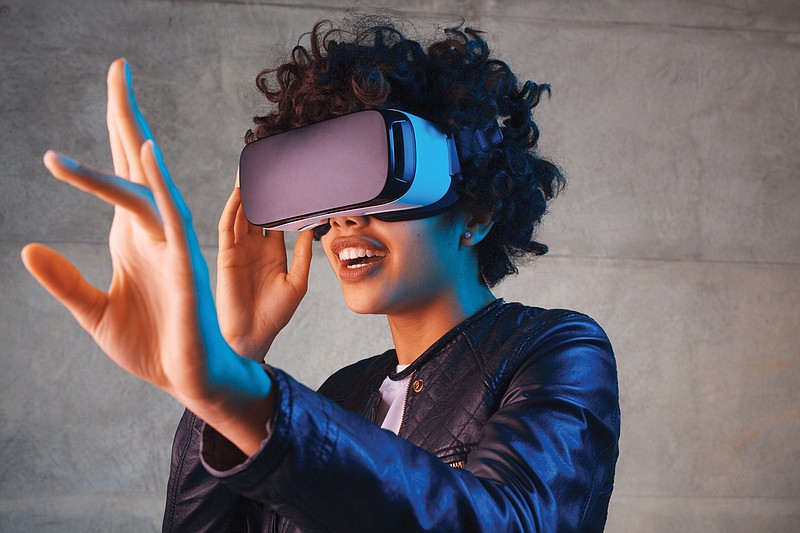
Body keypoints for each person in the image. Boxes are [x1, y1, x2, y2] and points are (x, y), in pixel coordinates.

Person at [21, 15, 620, 533]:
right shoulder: (341, 395)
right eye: (328, 197)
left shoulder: (556, 350)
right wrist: (238, 353)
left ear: (476, 215)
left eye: (378, 181)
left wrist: (236, 390)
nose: (345, 221)